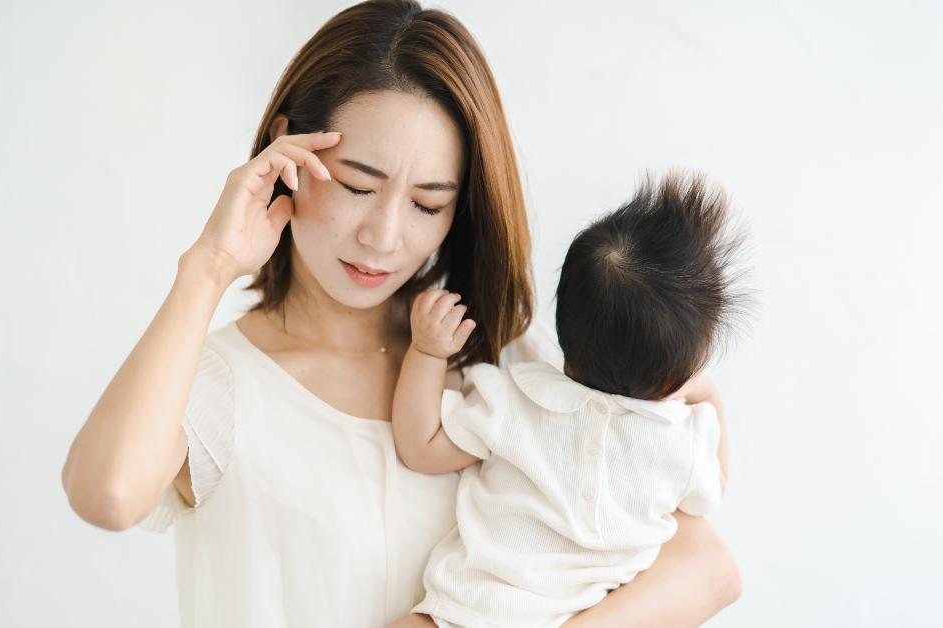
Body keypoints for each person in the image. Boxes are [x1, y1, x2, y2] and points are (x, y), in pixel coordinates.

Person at [60, 1, 742, 626]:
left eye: (428, 204)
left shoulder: (508, 366)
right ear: (285, 152)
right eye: (358, 185)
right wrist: (208, 267)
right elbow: (108, 494)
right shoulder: (221, 384)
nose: (384, 237)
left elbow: (705, 566)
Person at [388, 172, 748, 627]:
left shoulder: (516, 397)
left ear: (565, 333)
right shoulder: (678, 444)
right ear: (675, 378)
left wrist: (425, 353)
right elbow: (713, 487)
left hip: (468, 612)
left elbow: (419, 446)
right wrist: (707, 393)